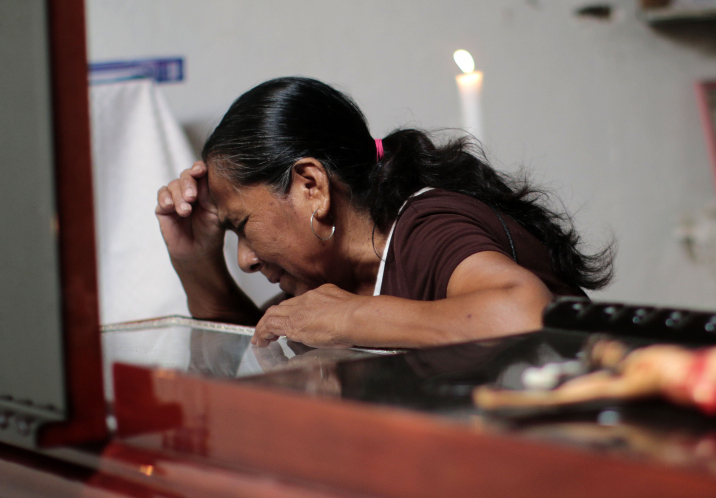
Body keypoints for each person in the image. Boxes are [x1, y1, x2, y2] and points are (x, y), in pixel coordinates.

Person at [156, 77, 614, 349]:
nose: (246, 259)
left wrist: (351, 319)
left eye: (244, 226)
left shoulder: (427, 225)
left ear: (311, 187)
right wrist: (195, 261)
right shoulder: (330, 279)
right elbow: (248, 361)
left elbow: (526, 314)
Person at [473, 338, 716, 417]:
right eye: (604, 350)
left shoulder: (640, 356)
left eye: (609, 342)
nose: (611, 346)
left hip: (702, 365)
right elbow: (567, 397)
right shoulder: (632, 378)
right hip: (696, 378)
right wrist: (508, 399)